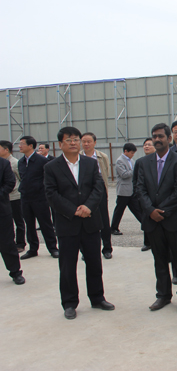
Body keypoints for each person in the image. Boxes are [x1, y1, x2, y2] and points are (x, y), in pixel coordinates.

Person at [44, 127, 115, 320]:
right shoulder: (51, 167)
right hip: (67, 223)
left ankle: (97, 298)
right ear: (60, 144)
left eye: (76, 139)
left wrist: (88, 207)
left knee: (94, 263)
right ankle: (69, 303)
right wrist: (73, 210)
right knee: (68, 266)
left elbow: (98, 187)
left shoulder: (90, 163)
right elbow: (51, 194)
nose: (74, 143)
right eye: (69, 140)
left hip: (90, 221)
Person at [137, 124, 177, 313]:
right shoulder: (144, 162)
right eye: (154, 136)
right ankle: (163, 295)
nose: (157, 139)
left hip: (174, 219)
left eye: (161, 136)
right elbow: (140, 189)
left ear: (169, 139)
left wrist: (163, 210)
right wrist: (151, 210)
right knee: (159, 260)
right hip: (152, 221)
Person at [17, 136, 59, 260]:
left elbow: (49, 179)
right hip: (25, 198)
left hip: (40, 198)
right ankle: (33, 249)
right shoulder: (21, 162)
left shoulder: (42, 161)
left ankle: (53, 248)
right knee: (29, 225)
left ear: (30, 146)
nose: (19, 146)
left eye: (22, 144)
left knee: (46, 224)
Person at [81, 133, 113, 258]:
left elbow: (106, 173)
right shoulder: (78, 157)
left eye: (89, 141)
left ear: (94, 142)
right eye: (84, 141)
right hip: (84, 192)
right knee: (86, 222)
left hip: (100, 191)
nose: (86, 144)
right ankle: (86, 250)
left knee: (104, 220)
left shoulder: (102, 157)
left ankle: (107, 248)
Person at [0, 156, 25, 285]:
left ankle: (15, 272)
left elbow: (10, 183)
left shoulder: (3, 163)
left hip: (2, 210)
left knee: (7, 243)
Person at [110, 143, 142, 239]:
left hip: (132, 190)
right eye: (131, 153)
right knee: (119, 210)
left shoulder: (131, 161)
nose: (133, 155)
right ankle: (113, 228)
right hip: (123, 191)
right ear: (125, 151)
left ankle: (146, 224)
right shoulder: (120, 161)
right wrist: (135, 170)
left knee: (137, 209)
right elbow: (124, 174)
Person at [0, 141, 26, 252]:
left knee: (18, 220)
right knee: (6, 222)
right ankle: (9, 242)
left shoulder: (14, 162)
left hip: (14, 197)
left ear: (6, 150)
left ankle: (20, 243)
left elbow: (21, 178)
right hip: (4, 198)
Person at [133, 138, 155, 252]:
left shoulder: (159, 160)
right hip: (144, 197)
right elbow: (135, 180)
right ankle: (147, 242)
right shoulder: (140, 161)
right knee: (146, 219)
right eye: (145, 145)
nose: (146, 147)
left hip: (156, 196)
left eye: (149, 145)